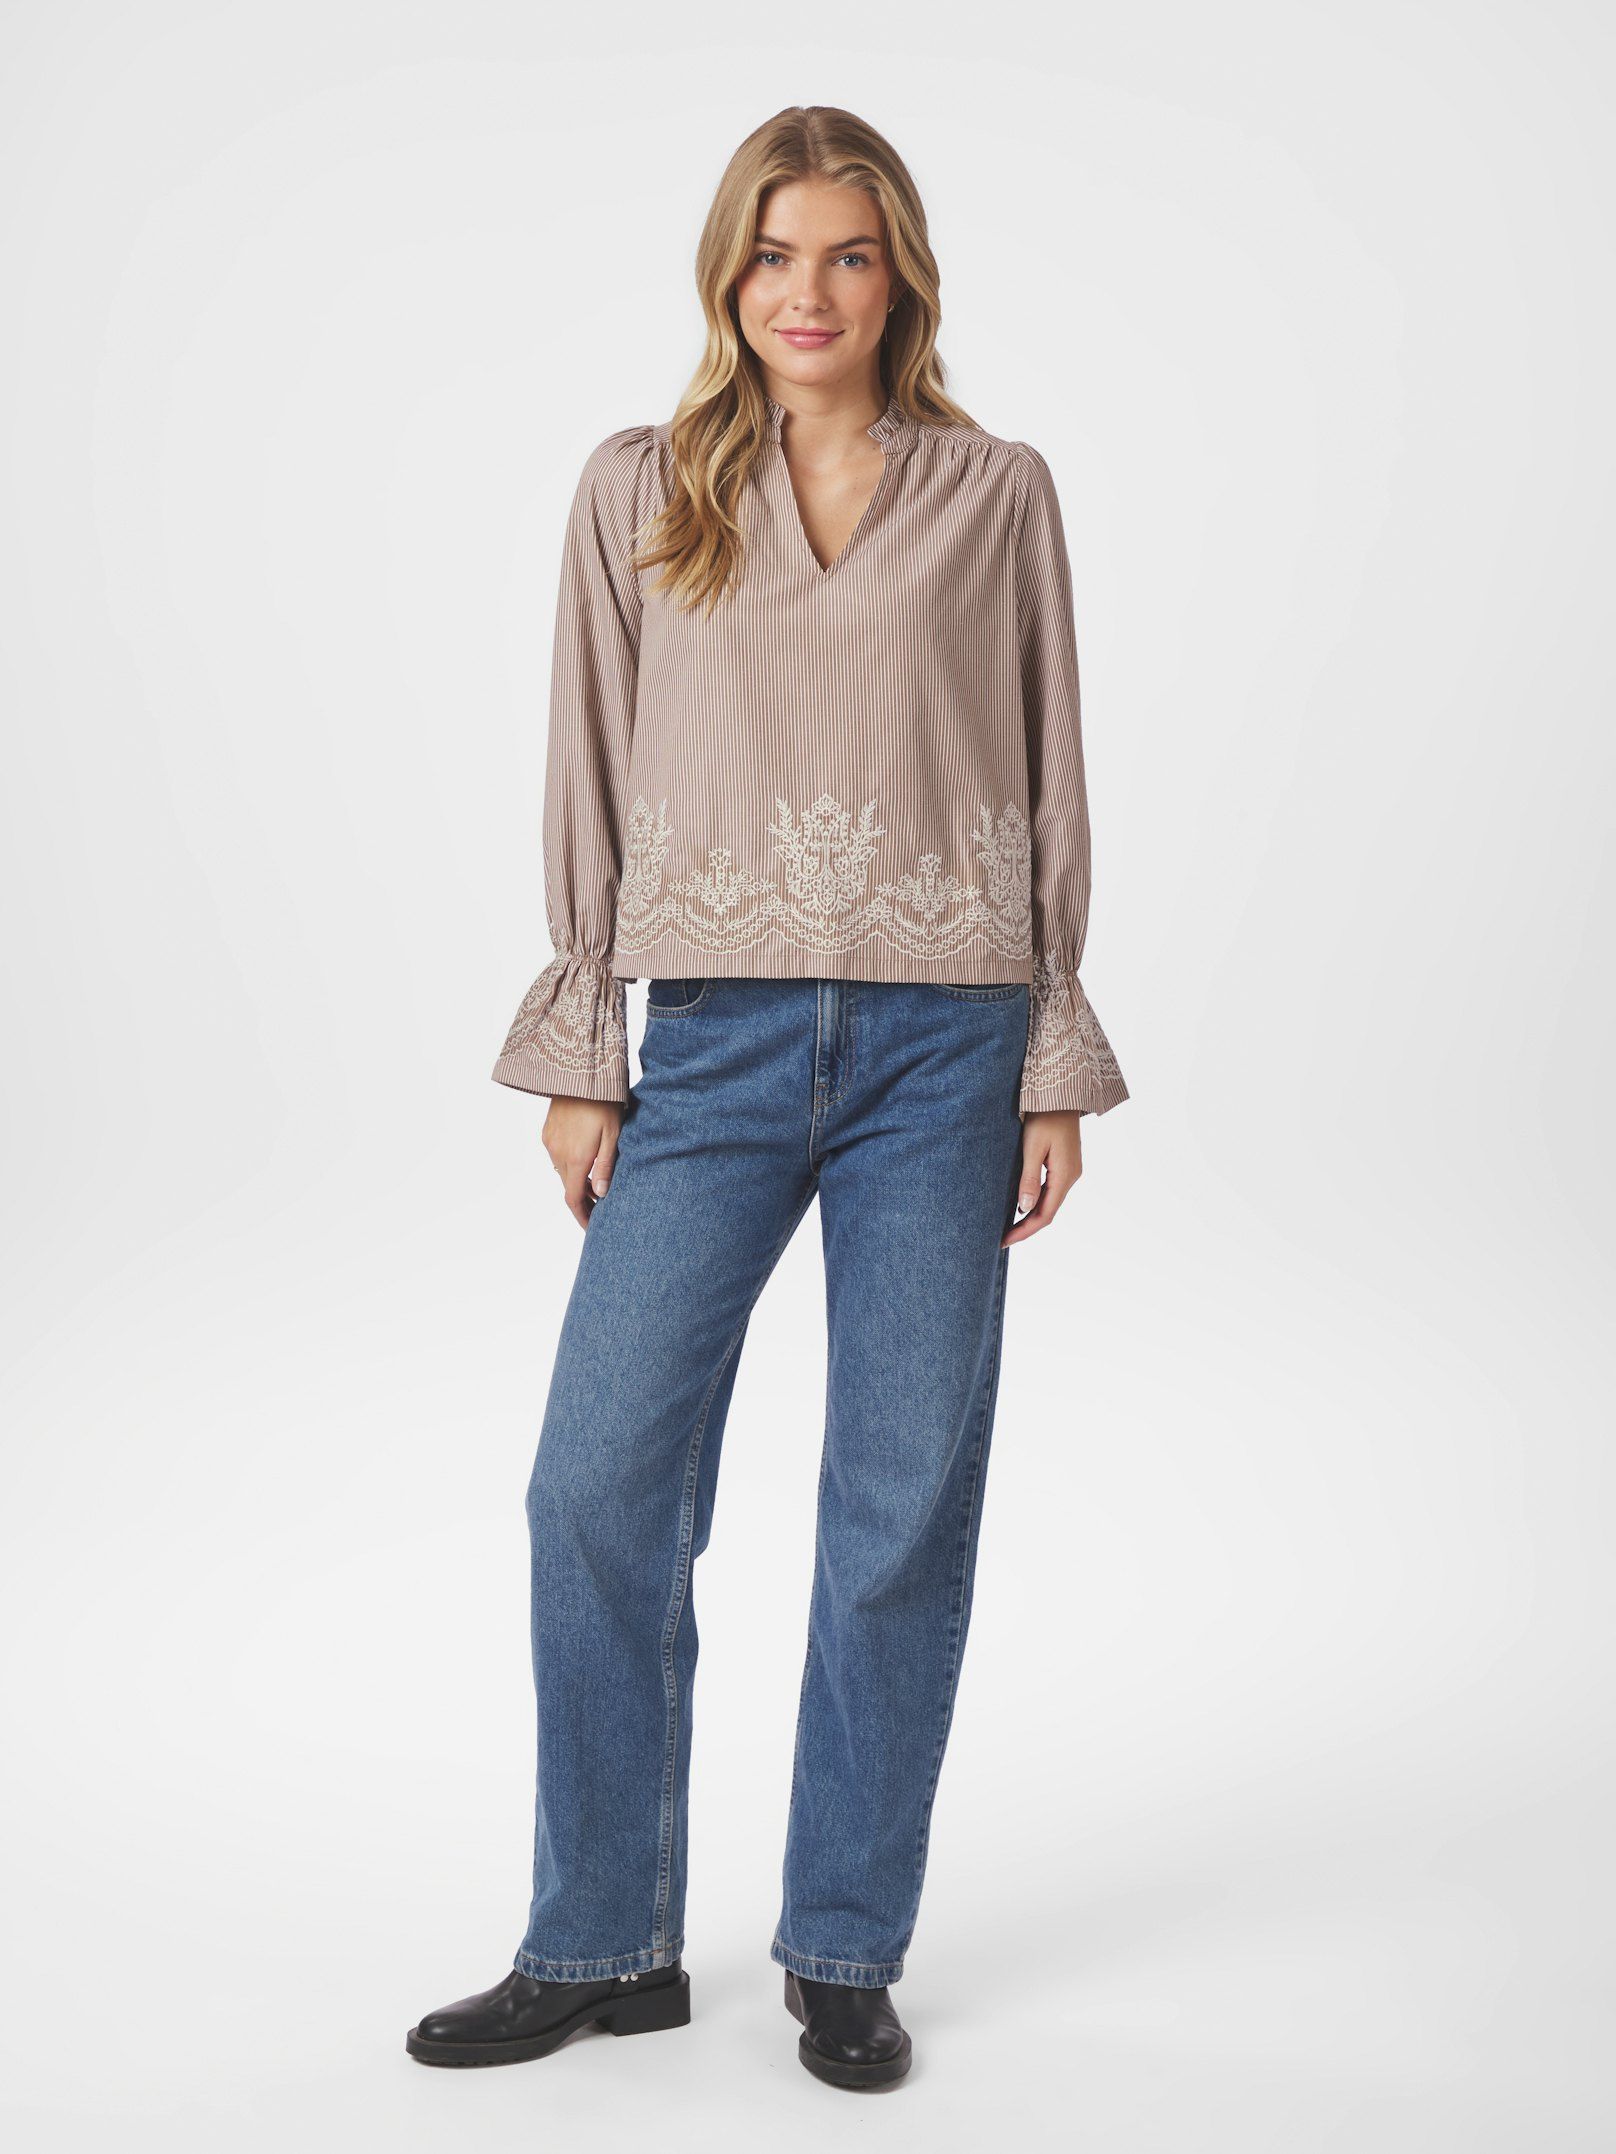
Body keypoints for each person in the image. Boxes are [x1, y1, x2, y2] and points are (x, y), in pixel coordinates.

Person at [406, 102, 1129, 2093]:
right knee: (595, 1485)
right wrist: (585, 1039)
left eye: (848, 255)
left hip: (948, 1046)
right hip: (709, 1042)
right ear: (727, 275)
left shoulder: (996, 493)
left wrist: (1051, 1053)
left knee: (898, 1504)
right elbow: (586, 750)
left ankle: (842, 1948)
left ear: (902, 279)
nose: (807, 291)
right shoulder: (640, 486)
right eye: (773, 253)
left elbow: (1048, 766)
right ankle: (600, 1941)